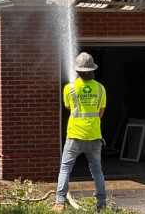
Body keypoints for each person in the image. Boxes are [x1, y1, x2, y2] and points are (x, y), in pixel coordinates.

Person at [53, 52, 107, 212]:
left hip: (74, 137)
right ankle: (102, 204)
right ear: (92, 69)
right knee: (97, 170)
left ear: (77, 70)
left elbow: (68, 107)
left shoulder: (69, 88)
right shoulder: (100, 88)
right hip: (94, 136)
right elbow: (101, 113)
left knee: (65, 169)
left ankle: (60, 202)